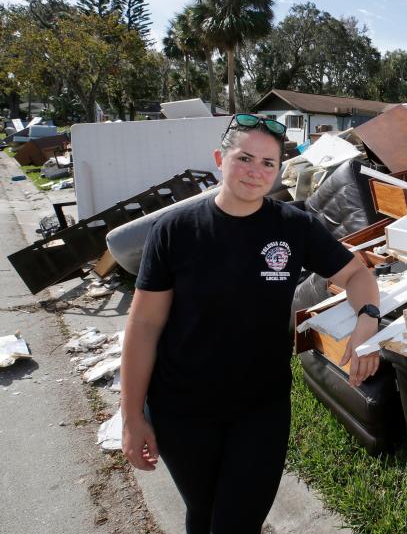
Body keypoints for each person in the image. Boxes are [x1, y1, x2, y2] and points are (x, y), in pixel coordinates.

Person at [120, 114, 382, 533]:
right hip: (181, 408)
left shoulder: (294, 227)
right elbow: (145, 325)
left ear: (280, 169)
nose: (255, 172)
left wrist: (368, 318)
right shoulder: (174, 231)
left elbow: (357, 275)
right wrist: (132, 417)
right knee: (203, 512)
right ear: (219, 158)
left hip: (260, 407)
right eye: (245, 158)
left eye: (268, 163)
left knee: (236, 521)